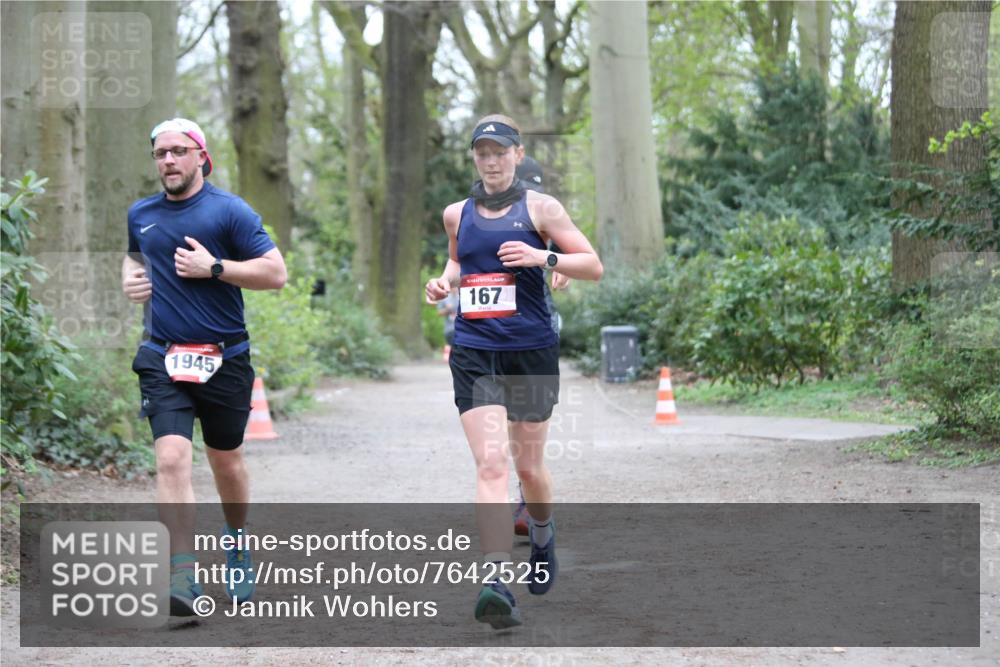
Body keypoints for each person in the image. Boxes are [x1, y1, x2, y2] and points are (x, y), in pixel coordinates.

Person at [425, 115, 602, 629]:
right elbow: (458, 264)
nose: (491, 160)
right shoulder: (456, 214)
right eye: (482, 152)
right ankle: (496, 580)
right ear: (475, 158)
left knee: (528, 470)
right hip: (475, 350)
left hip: (530, 350)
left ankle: (542, 531)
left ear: (518, 155)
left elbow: (591, 264)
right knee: (491, 467)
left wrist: (543, 257)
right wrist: (442, 283)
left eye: (500, 151)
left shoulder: (542, 207)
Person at [121, 118, 287, 616]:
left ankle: (236, 539)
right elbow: (134, 256)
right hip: (161, 355)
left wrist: (215, 268)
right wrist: (132, 280)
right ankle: (183, 573)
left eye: (177, 151)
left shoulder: (229, 212)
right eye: (159, 153)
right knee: (171, 458)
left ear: (200, 156)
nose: (167, 161)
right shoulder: (141, 212)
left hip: (225, 359)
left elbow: (276, 274)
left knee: (226, 462)